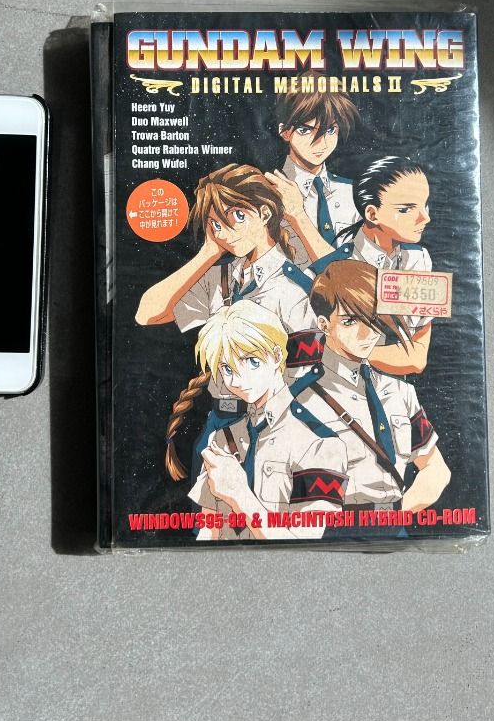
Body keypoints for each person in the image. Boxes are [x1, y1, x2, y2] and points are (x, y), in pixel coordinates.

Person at [290, 259, 450, 518]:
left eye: (373, 318)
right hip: (332, 528)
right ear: (323, 324)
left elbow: (437, 469)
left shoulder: (400, 392)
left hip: (394, 524)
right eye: (350, 321)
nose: (367, 333)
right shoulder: (301, 400)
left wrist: (397, 514)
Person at [181, 301, 347, 539]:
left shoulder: (320, 444)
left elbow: (303, 547)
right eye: (227, 368)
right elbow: (208, 533)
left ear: (277, 355)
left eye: (252, 361)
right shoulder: (223, 437)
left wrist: (240, 495)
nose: (237, 380)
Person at [135, 163, 316, 343]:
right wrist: (208, 253)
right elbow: (147, 314)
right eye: (215, 224)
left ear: (265, 214)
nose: (222, 233)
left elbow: (309, 354)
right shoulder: (219, 277)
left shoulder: (293, 283)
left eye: (238, 216)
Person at [338, 156, 434, 374]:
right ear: (372, 214)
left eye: (425, 204)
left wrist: (355, 352)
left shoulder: (418, 260)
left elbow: (417, 358)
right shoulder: (339, 263)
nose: (425, 217)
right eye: (407, 209)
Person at [264, 91, 360, 267]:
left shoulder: (352, 192)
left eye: (330, 130)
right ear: (284, 131)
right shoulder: (266, 193)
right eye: (305, 130)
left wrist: (298, 215)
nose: (321, 143)